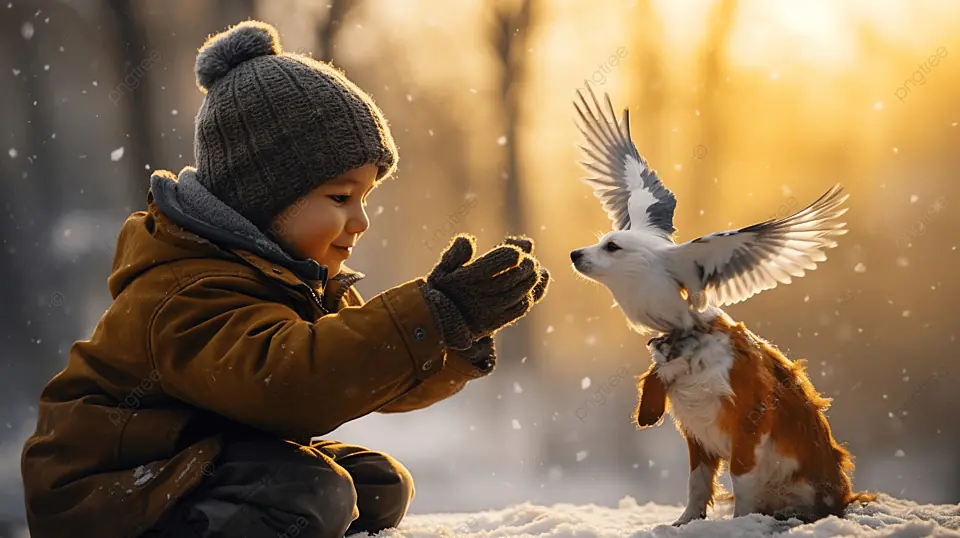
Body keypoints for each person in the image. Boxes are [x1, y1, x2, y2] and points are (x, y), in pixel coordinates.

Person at [20, 20, 550, 538]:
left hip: (194, 455)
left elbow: (363, 376)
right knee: (313, 492)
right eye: (340, 198)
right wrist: (429, 314)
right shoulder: (186, 288)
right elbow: (295, 386)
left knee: (376, 484)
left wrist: (451, 330)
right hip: (109, 489)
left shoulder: (289, 277)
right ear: (262, 198)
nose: (360, 221)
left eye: (365, 198)